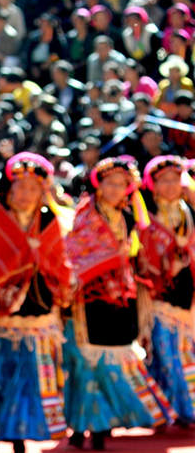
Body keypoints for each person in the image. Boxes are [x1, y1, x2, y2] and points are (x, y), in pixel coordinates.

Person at [64, 156, 175, 450]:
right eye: (110, 183)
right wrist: (113, 257)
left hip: (120, 295)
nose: (115, 189)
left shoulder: (127, 217)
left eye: (122, 184)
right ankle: (80, 424)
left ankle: (101, 425)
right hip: (88, 297)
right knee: (86, 364)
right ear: (98, 186)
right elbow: (76, 254)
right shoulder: (85, 216)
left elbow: (135, 253)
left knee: (110, 361)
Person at [0, 153, 73, 453]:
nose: (26, 194)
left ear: (43, 190)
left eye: (33, 188)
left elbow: (58, 261)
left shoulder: (48, 219)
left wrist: (39, 260)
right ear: (9, 188)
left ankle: (19, 435)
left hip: (37, 308)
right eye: (20, 187)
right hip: (0, 315)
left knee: (28, 379)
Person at [137, 156, 195, 426]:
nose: (171, 186)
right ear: (154, 185)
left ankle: (186, 409)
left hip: (189, 296)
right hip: (158, 296)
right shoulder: (146, 216)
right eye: (164, 181)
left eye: (175, 179)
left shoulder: (190, 212)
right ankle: (165, 409)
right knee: (164, 354)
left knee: (187, 355)